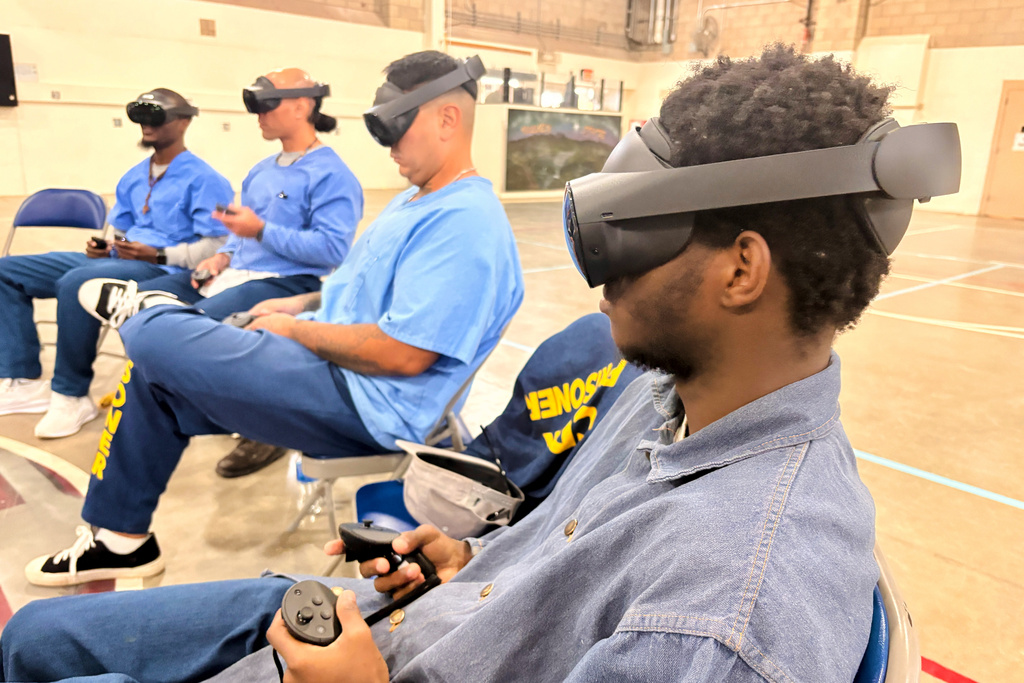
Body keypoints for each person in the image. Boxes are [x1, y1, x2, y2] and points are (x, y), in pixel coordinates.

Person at [4, 45, 929, 682]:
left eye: (636, 232)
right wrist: (468, 557)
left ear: (741, 271)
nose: (599, 274)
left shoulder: (723, 618)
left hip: (376, 656)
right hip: (400, 619)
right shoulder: (665, 392)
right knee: (39, 638)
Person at [17, 51, 523, 588]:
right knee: (153, 374)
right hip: (333, 367)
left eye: (396, 128)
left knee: (160, 338)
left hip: (369, 404)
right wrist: (297, 306)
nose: (389, 147)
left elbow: (404, 353)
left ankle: (147, 311)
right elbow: (360, 293)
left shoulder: (464, 222)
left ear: (447, 118)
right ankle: (121, 542)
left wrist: (292, 329)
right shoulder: (415, 201)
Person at [79, 68, 364, 476]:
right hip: (234, 273)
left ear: (303, 106)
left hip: (285, 281)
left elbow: (332, 250)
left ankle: (265, 429)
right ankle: (156, 329)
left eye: (266, 105)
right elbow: (237, 236)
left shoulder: (332, 175)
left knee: (187, 330)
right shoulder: (261, 170)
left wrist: (261, 230)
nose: (258, 115)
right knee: (152, 309)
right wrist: (222, 257)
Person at [0, 88, 233, 438]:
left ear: (184, 122)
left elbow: (217, 245)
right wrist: (109, 247)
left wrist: (157, 254)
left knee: (77, 282)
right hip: (120, 260)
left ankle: (71, 395)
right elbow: (123, 233)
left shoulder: (205, 180)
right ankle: (21, 378)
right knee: (7, 272)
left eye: (156, 118)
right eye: (140, 118)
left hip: (164, 268)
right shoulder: (134, 177)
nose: (146, 125)